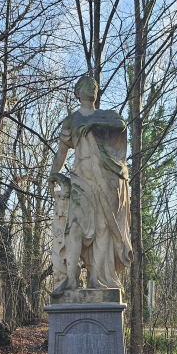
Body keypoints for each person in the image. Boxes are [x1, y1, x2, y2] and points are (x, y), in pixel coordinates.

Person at [49, 76, 133, 294]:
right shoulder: (71, 120)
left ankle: (97, 278)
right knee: (75, 226)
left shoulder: (105, 115)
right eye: (86, 85)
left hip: (106, 178)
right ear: (78, 92)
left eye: (94, 86)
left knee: (103, 228)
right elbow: (61, 151)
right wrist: (52, 173)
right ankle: (70, 279)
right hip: (82, 177)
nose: (91, 88)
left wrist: (94, 123)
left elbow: (121, 124)